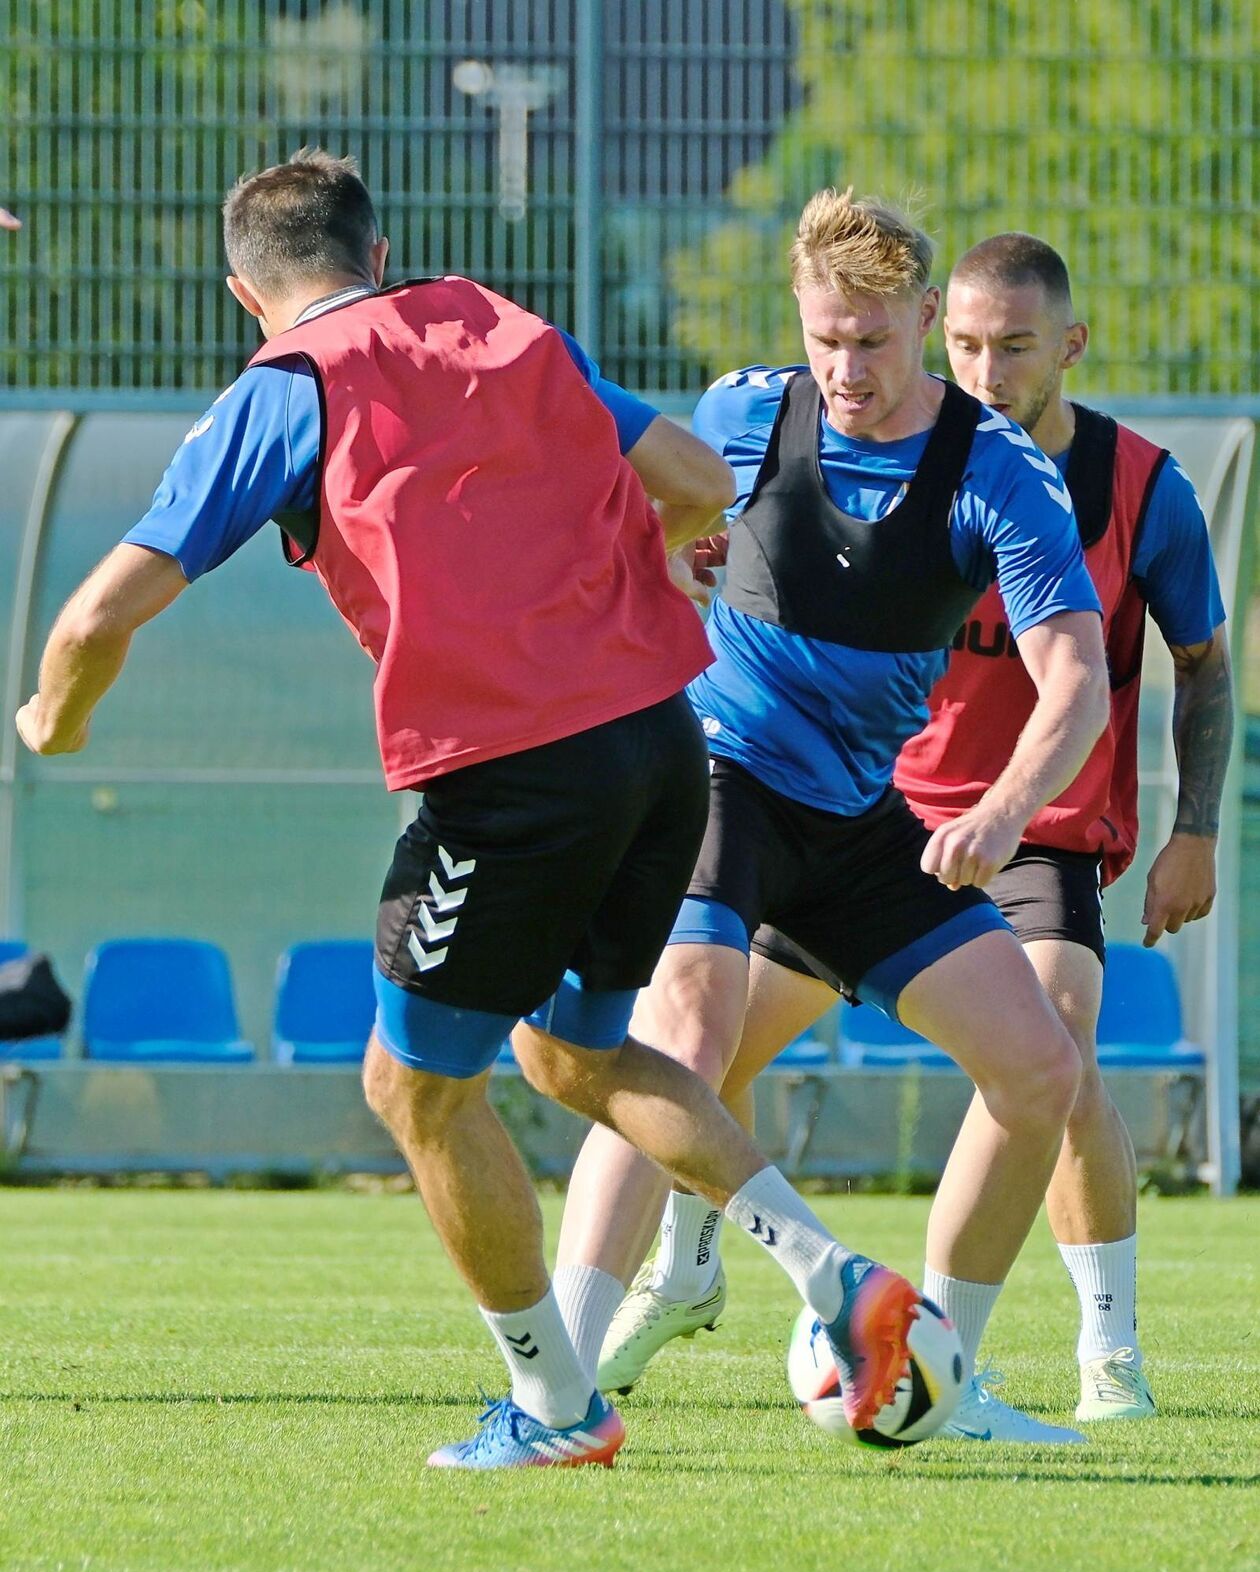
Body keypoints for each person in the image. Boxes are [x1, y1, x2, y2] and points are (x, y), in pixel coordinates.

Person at [15, 150, 933, 1469]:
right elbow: (691, 470)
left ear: (243, 292)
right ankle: (832, 1275)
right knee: (570, 1059)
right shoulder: (491, 322)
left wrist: (58, 716)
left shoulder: (285, 388)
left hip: (517, 777)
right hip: (663, 743)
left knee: (415, 1089)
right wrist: (668, 554)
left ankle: (557, 1409)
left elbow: (105, 609)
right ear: (378, 256)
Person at [602, 232, 1232, 1431]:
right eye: (970, 347)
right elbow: (692, 533)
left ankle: (1062, 1350)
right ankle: (674, 1271)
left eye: (1017, 347)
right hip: (871, 811)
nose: (988, 371)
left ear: (1072, 347)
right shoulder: (826, 431)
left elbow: (1199, 664)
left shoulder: (1137, 487)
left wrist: (1194, 826)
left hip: (1033, 827)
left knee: (1054, 1051)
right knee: (692, 1044)